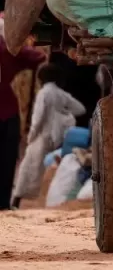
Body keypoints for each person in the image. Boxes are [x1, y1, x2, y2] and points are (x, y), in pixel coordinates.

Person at [11, 63, 86, 208]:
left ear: (41, 78)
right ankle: (44, 201)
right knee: (48, 169)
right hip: (57, 137)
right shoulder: (61, 93)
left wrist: (30, 137)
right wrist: (64, 114)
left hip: (42, 136)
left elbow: (37, 119)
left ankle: (17, 201)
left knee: (28, 169)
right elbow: (80, 109)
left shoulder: (43, 93)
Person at [0, 17, 47, 210]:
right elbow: (38, 58)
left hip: (7, 109)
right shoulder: (7, 50)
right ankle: (2, 202)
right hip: (6, 111)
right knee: (6, 158)